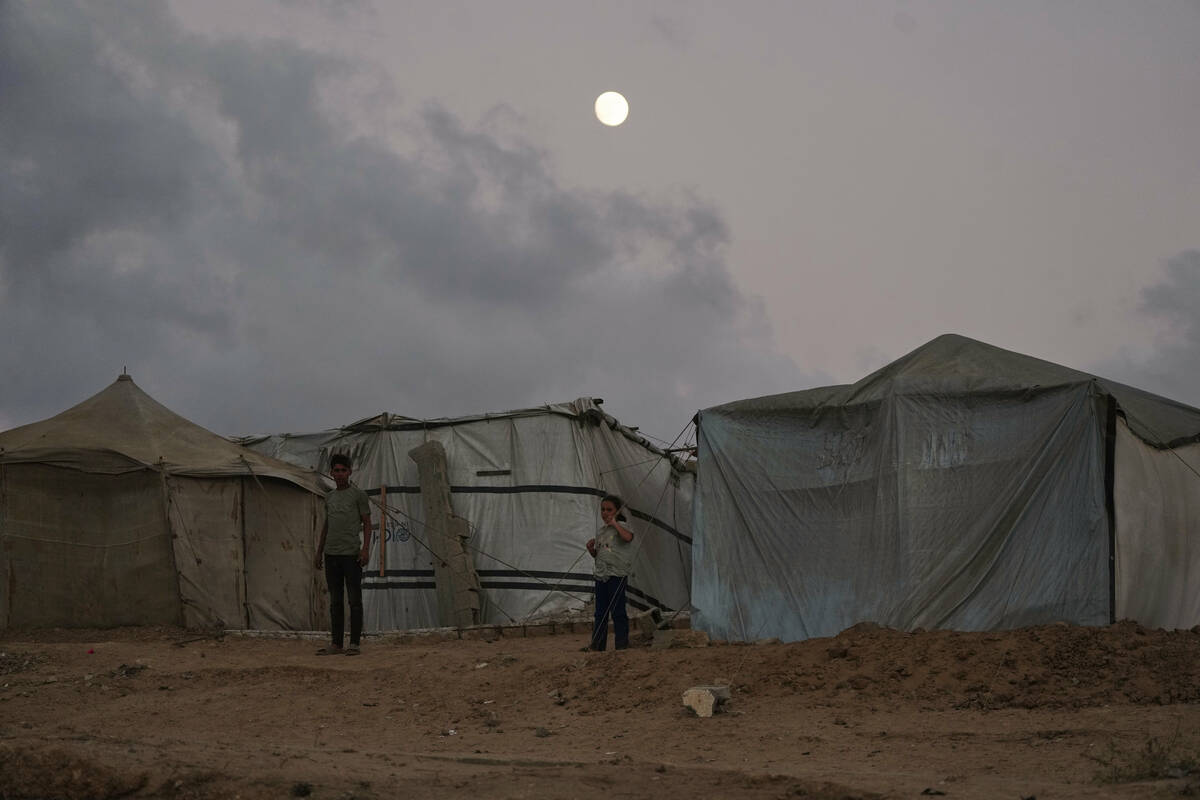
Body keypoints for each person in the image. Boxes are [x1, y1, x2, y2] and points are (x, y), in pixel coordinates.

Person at [313, 453, 372, 655]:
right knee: (335, 601)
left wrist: (365, 550)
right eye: (336, 470)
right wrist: (319, 551)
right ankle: (337, 644)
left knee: (354, 600)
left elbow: (367, 523)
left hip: (351, 554)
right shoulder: (329, 498)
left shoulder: (358, 495)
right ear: (331, 473)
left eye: (343, 470)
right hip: (331, 554)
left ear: (349, 472)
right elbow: (326, 526)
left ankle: (354, 643)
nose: (339, 474)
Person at [585, 494, 635, 651]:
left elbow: (628, 538)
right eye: (603, 510)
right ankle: (598, 645)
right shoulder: (602, 531)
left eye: (609, 510)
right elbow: (601, 554)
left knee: (618, 611)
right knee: (600, 612)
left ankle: (622, 645)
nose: (605, 513)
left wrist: (615, 523)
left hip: (616, 575)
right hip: (601, 575)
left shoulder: (623, 526)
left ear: (617, 510)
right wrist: (591, 550)